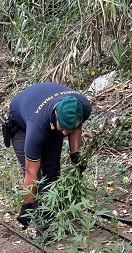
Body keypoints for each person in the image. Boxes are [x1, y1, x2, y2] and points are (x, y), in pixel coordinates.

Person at [7, 82, 92, 228]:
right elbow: (31, 172)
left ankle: (48, 220)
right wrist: (27, 206)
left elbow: (75, 127)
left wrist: (75, 155)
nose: (65, 134)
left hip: (47, 116)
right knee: (38, 178)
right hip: (22, 123)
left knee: (52, 173)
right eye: (63, 128)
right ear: (56, 115)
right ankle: (39, 220)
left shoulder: (83, 107)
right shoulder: (37, 127)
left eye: (69, 130)